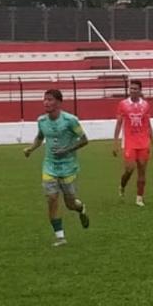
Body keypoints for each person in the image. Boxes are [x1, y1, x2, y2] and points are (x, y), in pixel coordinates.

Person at [24, 89, 91, 247]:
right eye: (44, 99)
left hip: (68, 167)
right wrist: (31, 149)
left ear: (59, 102)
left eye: (50, 99)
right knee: (52, 199)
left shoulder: (70, 120)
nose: (46, 102)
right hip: (49, 166)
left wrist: (66, 150)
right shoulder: (41, 121)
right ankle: (60, 237)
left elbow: (84, 140)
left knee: (70, 204)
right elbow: (40, 138)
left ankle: (80, 208)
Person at [113, 79, 153, 206]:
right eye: (131, 88)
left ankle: (139, 198)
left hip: (143, 142)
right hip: (129, 142)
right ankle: (122, 184)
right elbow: (119, 123)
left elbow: (148, 124)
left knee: (142, 169)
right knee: (130, 168)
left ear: (140, 90)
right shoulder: (123, 104)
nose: (133, 91)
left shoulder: (146, 105)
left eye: (135, 89)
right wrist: (115, 142)